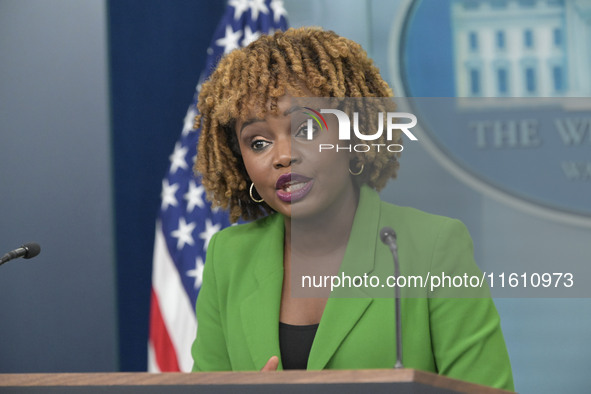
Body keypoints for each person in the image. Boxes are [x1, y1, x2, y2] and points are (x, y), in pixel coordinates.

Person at [190, 27, 514, 391]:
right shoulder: (229, 257)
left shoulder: (433, 247)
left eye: (307, 128)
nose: (283, 156)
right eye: (259, 142)